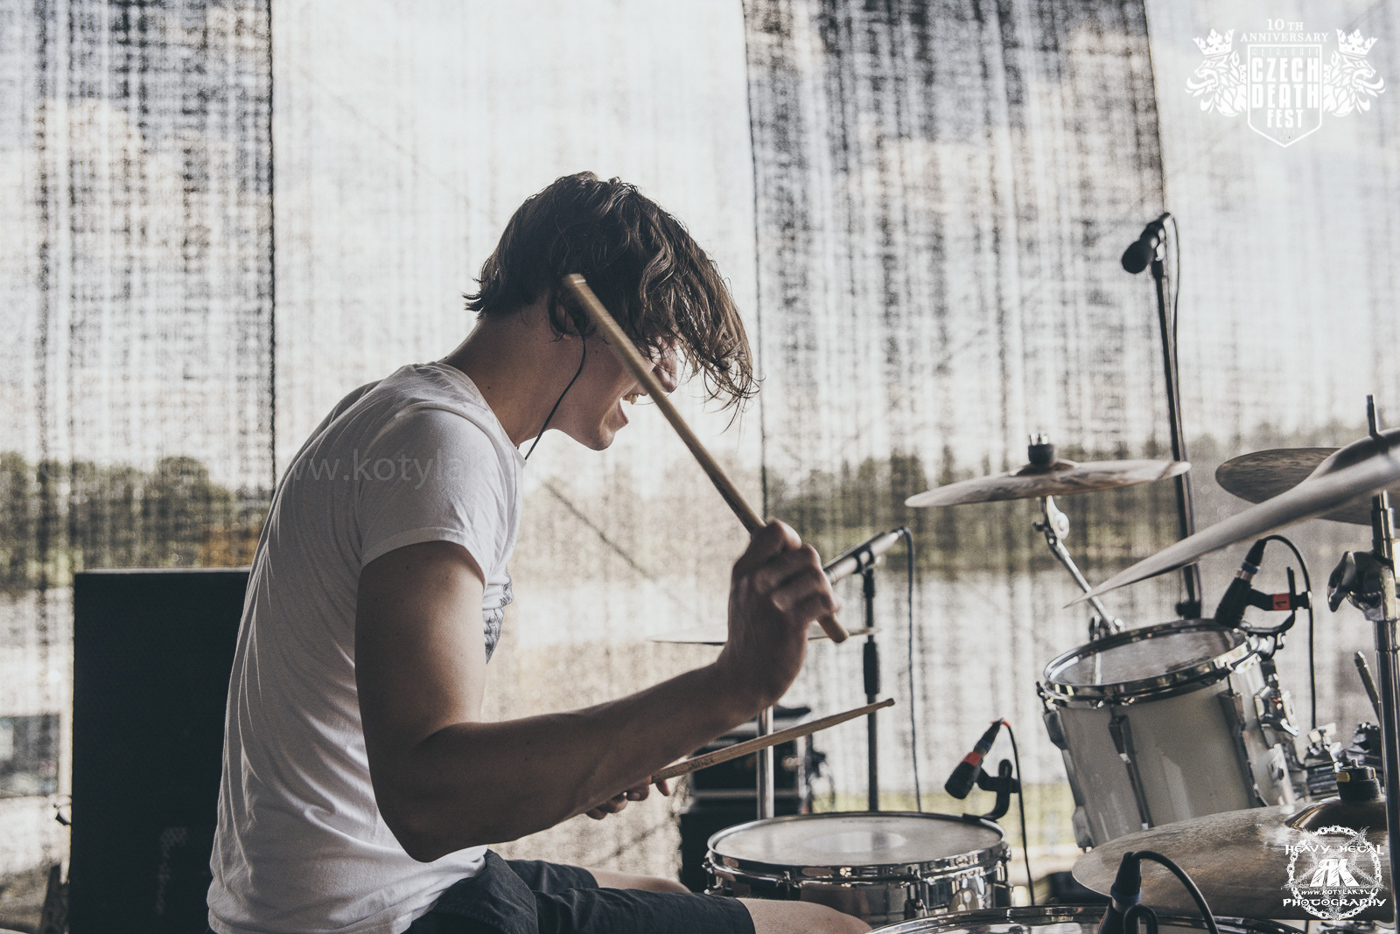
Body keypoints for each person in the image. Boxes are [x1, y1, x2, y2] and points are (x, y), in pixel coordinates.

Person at [208, 172, 869, 934]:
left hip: (335, 897)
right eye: (653, 336)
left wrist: (592, 765)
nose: (667, 374)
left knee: (665, 889)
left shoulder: (396, 412)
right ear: (569, 308)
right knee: (835, 931)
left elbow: (423, 743)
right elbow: (427, 797)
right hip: (378, 915)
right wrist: (735, 684)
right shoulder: (443, 444)